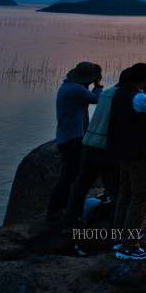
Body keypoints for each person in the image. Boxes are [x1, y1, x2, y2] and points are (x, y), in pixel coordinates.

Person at [107, 63, 146, 260]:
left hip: (123, 154)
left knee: (125, 195)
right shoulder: (137, 97)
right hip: (138, 155)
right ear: (144, 79)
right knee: (140, 197)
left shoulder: (120, 93)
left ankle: (119, 235)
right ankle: (129, 243)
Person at [63, 72, 124, 234]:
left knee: (81, 183)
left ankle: (70, 221)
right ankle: (116, 230)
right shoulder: (126, 96)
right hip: (104, 146)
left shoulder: (106, 94)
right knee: (115, 189)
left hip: (89, 142)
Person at [47, 62, 103, 220]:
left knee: (70, 175)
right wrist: (98, 85)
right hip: (73, 138)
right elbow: (97, 98)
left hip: (69, 137)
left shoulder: (70, 87)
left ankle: (62, 207)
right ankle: (55, 209)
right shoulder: (75, 89)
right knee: (68, 175)